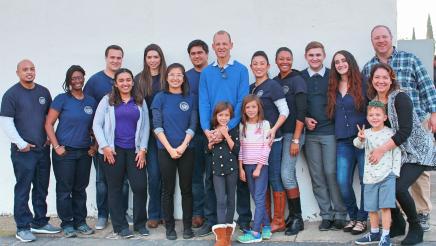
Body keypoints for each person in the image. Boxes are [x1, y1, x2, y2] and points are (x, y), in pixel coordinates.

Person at [362, 25, 436, 232]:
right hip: (391, 130)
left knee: (417, 175)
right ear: (372, 41)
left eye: (384, 37)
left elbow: (427, 86)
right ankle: (400, 218)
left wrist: (434, 114)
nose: (381, 41)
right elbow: (370, 99)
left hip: (416, 122)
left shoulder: (409, 59)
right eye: (377, 38)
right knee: (395, 174)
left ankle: (421, 214)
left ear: (391, 38)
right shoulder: (369, 67)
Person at [197, 30, 251, 236]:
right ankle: (212, 221)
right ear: (213, 46)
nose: (221, 47)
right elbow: (203, 101)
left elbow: (242, 101)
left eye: (224, 43)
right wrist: (207, 130)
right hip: (210, 133)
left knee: (239, 178)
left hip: (232, 131)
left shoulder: (241, 70)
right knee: (212, 179)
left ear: (231, 45)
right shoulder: (207, 73)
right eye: (217, 44)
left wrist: (225, 129)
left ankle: (244, 219)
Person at [0, 59, 60, 242]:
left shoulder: (43, 92)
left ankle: (39, 221)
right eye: (25, 69)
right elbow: (6, 122)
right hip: (23, 152)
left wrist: (51, 137)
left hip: (42, 149)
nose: (29, 72)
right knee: (23, 188)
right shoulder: (11, 94)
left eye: (32, 69)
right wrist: (20, 143)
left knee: (41, 187)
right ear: (18, 72)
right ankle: (23, 227)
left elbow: (49, 118)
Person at [93, 68, 150, 238]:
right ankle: (120, 227)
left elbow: (146, 126)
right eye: (121, 80)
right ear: (116, 84)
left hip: (135, 151)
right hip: (113, 152)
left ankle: (140, 224)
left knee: (140, 187)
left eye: (128, 80)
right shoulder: (107, 100)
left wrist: (143, 149)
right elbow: (97, 125)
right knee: (115, 189)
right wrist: (104, 147)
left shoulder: (140, 100)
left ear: (133, 82)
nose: (125, 83)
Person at [45, 65, 97, 237]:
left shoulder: (90, 101)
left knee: (80, 189)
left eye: (79, 77)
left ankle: (80, 222)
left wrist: (94, 146)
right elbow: (48, 124)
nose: (77, 80)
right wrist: (57, 146)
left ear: (83, 78)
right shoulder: (62, 99)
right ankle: (67, 224)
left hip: (84, 152)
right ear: (68, 81)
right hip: (65, 152)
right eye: (73, 78)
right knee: (64, 189)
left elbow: (95, 127)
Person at [301, 41, 347, 231]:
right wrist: (304, 119)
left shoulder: (332, 76)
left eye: (318, 55)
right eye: (311, 55)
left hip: (330, 133)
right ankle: (326, 215)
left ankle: (340, 214)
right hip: (310, 136)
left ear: (324, 56)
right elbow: (296, 105)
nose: (314, 58)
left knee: (331, 173)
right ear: (306, 56)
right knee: (317, 176)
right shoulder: (300, 77)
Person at [83, 45, 130, 230]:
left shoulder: (126, 79)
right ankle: (103, 214)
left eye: (119, 58)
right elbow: (86, 109)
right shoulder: (95, 81)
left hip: (123, 142)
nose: (115, 61)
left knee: (124, 181)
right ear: (106, 58)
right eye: (112, 57)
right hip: (101, 141)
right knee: (102, 180)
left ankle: (122, 211)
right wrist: (95, 140)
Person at [151, 63, 196, 240]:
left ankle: (187, 227)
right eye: (172, 75)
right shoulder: (159, 98)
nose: (176, 78)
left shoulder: (191, 97)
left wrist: (183, 146)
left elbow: (193, 124)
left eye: (179, 75)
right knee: (167, 190)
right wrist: (170, 148)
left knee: (186, 190)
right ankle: (170, 227)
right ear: (167, 77)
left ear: (183, 78)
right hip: (165, 150)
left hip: (187, 149)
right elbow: (157, 125)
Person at [326, 50, 368, 234]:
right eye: (337, 62)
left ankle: (362, 219)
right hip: (343, 140)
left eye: (344, 60)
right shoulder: (333, 86)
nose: (341, 64)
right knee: (342, 181)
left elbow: (374, 107)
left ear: (350, 61)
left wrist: (369, 130)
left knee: (366, 181)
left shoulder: (364, 82)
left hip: (363, 139)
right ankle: (353, 215)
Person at [249, 51, 289, 233]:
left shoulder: (273, 85)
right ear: (251, 67)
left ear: (268, 66)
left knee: (273, 177)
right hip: (255, 144)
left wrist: (273, 130)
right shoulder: (251, 88)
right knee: (261, 181)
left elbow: (284, 111)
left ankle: (279, 220)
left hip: (274, 141)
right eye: (255, 64)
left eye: (262, 63)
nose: (258, 66)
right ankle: (265, 220)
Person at [353, 101, 401, 246]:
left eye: (378, 114)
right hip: (370, 177)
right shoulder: (365, 133)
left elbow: (397, 153)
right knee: (371, 208)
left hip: (387, 176)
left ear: (385, 117)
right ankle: (374, 233)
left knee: (385, 207)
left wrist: (394, 172)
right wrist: (360, 138)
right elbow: (358, 144)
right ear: (367, 117)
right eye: (371, 115)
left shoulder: (391, 133)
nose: (374, 117)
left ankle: (385, 236)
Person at [273, 47, 307, 236]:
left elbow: (301, 111)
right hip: (279, 135)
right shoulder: (276, 81)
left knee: (286, 174)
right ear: (276, 61)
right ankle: (292, 215)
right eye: (281, 59)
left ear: (292, 60)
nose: (285, 61)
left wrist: (295, 138)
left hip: (293, 134)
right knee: (284, 174)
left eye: (288, 58)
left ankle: (298, 218)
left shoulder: (297, 80)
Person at [134, 43, 167, 229]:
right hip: (149, 135)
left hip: (168, 133)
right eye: (149, 57)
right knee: (154, 175)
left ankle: (166, 213)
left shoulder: (168, 77)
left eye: (156, 57)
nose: (153, 60)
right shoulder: (139, 79)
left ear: (160, 58)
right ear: (145, 59)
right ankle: (154, 213)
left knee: (167, 175)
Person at [237, 95, 271, 244]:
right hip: (247, 166)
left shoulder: (264, 124)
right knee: (256, 199)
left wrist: (258, 167)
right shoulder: (242, 126)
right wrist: (241, 168)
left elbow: (266, 147)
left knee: (259, 197)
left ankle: (256, 232)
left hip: (260, 166)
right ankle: (267, 227)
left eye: (254, 107)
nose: (251, 110)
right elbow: (241, 149)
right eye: (248, 107)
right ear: (244, 109)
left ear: (259, 108)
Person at [208, 102, 239, 246]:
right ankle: (220, 238)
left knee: (230, 199)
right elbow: (207, 151)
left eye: (227, 115)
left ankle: (227, 235)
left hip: (231, 169)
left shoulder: (233, 130)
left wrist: (226, 135)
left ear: (231, 116)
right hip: (217, 171)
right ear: (216, 116)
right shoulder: (211, 130)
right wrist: (210, 144)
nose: (223, 118)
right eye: (221, 115)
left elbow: (237, 150)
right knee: (220, 200)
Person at [186, 39, 209, 228]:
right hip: (193, 135)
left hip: (213, 133)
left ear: (206, 54)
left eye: (200, 52)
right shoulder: (185, 77)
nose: (196, 56)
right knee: (195, 177)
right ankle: (198, 213)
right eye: (193, 53)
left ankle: (213, 213)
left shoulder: (214, 73)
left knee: (213, 176)